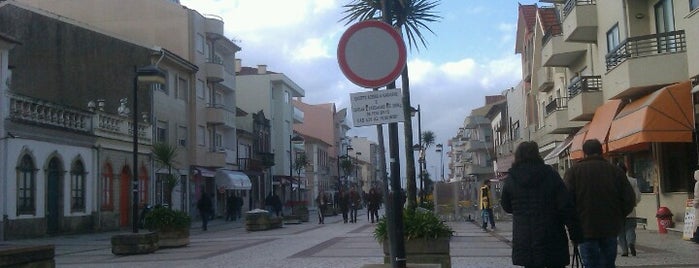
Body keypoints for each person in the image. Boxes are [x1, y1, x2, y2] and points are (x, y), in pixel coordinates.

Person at [501, 141, 583, 268]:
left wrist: (521, 209)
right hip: (552, 236)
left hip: (525, 238)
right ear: (537, 154)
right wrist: (575, 234)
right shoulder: (551, 175)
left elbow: (506, 206)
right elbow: (566, 206)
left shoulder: (511, 179)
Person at [564, 139, 636, 268]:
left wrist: (573, 224)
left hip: (585, 228)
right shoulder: (615, 172)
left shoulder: (573, 172)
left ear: (584, 153)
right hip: (609, 227)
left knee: (590, 264)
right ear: (601, 152)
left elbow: (566, 202)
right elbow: (629, 199)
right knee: (608, 263)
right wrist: (618, 216)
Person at [617, 163, 641, 257]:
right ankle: (631, 242)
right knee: (630, 228)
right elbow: (637, 196)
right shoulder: (632, 181)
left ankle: (624, 250)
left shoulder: (613, 181)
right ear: (626, 170)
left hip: (617, 211)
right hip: (630, 210)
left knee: (620, 232)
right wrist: (633, 204)